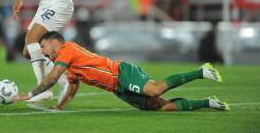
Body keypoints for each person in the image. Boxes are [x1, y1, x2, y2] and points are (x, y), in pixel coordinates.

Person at [12, 31, 230, 112]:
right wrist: (59, 107)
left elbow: (52, 78)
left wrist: (29, 94)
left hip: (122, 73)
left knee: (155, 90)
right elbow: (73, 85)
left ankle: (201, 71)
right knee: (163, 107)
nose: (41, 51)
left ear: (55, 43)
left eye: (43, 47)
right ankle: (208, 102)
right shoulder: (70, 64)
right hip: (119, 89)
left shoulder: (67, 50)